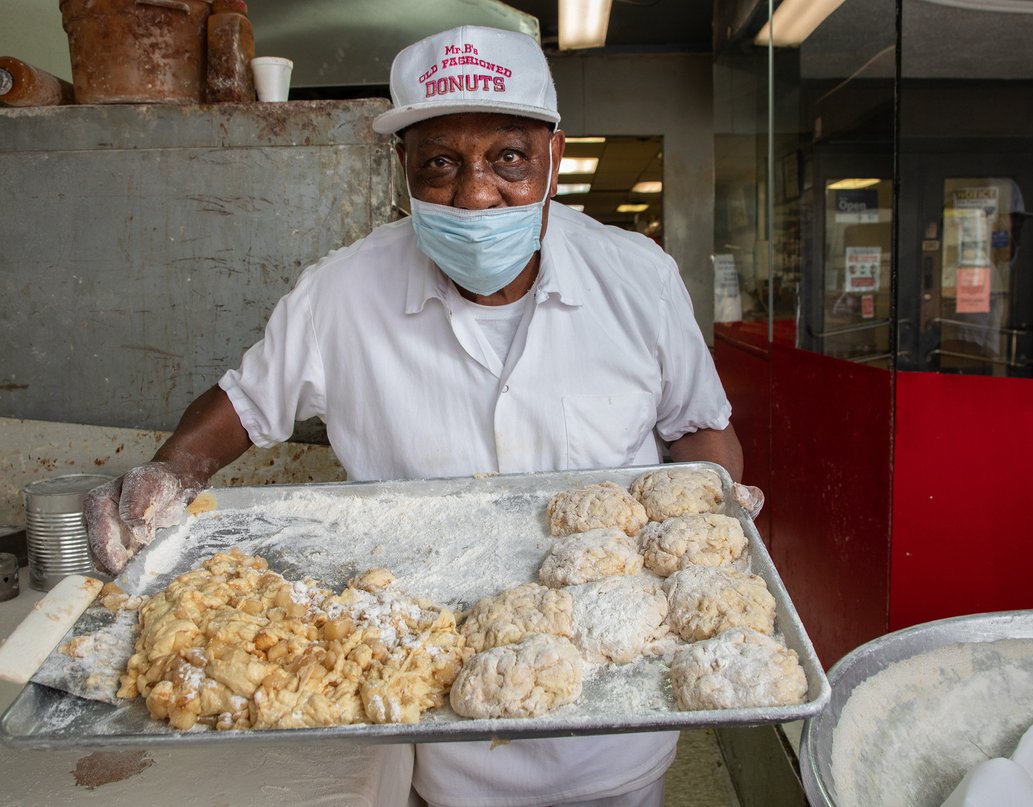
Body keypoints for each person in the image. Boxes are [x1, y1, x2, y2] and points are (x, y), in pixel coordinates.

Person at [85, 24, 759, 807]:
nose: (476, 194)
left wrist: (714, 514)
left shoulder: (636, 278)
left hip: (614, 725)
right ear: (401, 163)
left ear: (555, 154)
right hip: (423, 714)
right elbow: (241, 405)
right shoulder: (342, 294)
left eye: (508, 157)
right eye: (442, 162)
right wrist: (171, 472)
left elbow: (700, 426)